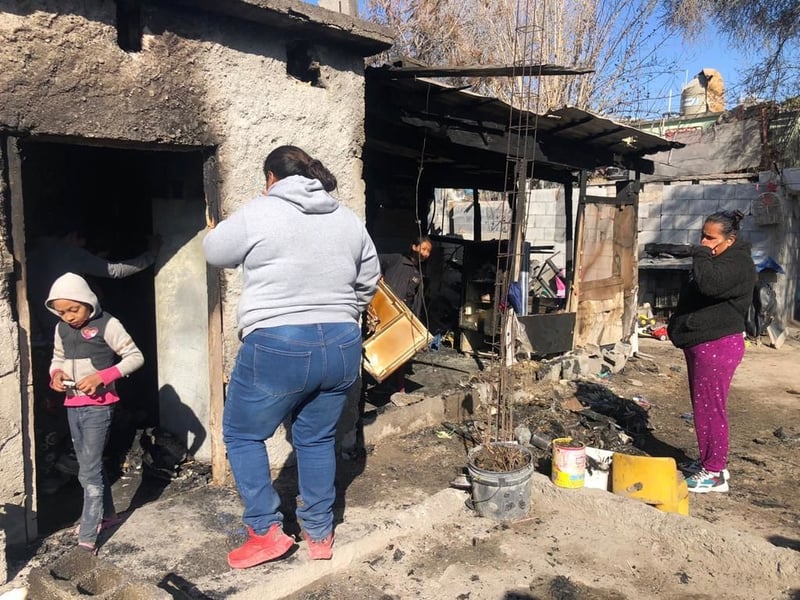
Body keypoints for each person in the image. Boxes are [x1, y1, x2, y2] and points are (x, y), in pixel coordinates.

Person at [203, 145, 381, 568]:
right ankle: (319, 534)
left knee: (243, 434)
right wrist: (342, 310)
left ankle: (266, 532)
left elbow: (216, 254)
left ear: (270, 178)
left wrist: (213, 230)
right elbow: (369, 278)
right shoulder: (346, 218)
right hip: (341, 342)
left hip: (279, 342)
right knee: (317, 438)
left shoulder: (260, 211)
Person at [27, 226, 159, 494]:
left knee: (48, 414)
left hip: (39, 344)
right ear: (73, 233)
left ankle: (53, 474)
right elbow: (116, 270)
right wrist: (153, 253)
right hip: (65, 349)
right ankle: (77, 471)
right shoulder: (68, 253)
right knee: (78, 419)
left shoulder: (31, 252)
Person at [46, 272, 145, 553]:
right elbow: (58, 357)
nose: (68, 317)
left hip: (99, 406)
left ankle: (87, 538)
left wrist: (104, 376)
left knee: (87, 471)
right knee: (89, 461)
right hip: (72, 404)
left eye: (73, 309)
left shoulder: (108, 324)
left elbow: (135, 357)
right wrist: (55, 374)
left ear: (88, 301)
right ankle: (109, 515)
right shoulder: (61, 329)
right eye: (61, 311)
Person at [667, 210, 756, 493]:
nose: (703, 242)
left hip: (717, 345)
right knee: (703, 407)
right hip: (704, 342)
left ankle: (715, 472)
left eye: (710, 238)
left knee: (710, 409)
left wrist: (701, 254)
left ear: (729, 240)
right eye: (701, 235)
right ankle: (709, 461)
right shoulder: (722, 258)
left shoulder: (738, 263)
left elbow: (709, 285)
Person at [380, 235, 432, 393]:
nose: (426, 254)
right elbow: (375, 260)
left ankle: (398, 387)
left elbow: (417, 299)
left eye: (429, 251)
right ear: (414, 247)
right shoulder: (397, 260)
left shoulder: (419, 272)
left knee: (401, 353)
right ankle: (384, 384)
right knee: (385, 351)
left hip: (405, 316)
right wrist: (378, 277)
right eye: (423, 249)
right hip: (388, 312)